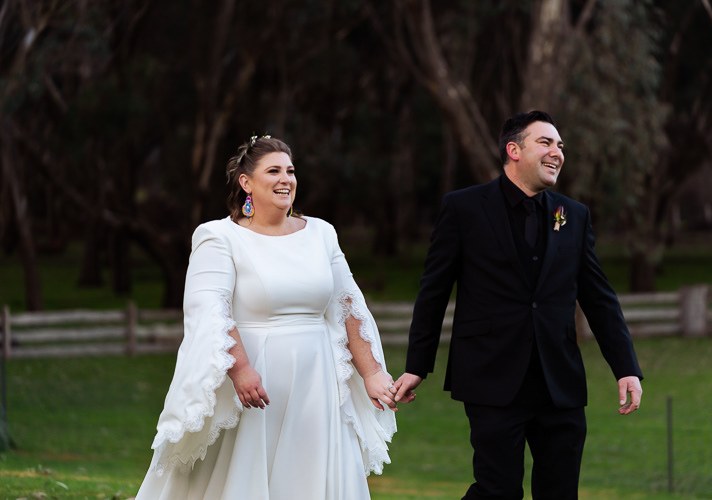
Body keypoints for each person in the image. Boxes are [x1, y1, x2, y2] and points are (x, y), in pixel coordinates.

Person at [393, 111, 643, 500]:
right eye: (546, 142)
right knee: (498, 491)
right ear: (514, 150)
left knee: (561, 493)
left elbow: (599, 297)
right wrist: (417, 364)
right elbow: (433, 291)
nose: (557, 152)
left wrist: (625, 367)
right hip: (490, 376)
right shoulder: (463, 208)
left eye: (560, 145)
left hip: (559, 381)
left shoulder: (573, 216)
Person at [135, 136, 398, 500]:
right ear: (246, 182)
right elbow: (211, 309)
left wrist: (372, 373)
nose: (285, 179)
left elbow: (347, 304)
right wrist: (241, 369)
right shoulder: (219, 237)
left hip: (319, 379)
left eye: (290, 171)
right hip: (255, 379)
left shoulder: (321, 233)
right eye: (273, 171)